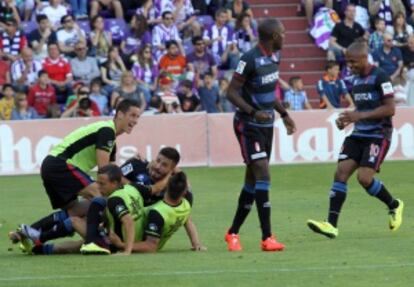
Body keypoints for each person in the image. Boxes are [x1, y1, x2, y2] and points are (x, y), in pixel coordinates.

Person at [9, 99, 141, 251]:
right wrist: (134, 188)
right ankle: (93, 241)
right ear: (120, 114)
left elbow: (114, 174)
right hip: (60, 164)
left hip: (51, 166)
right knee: (100, 194)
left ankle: (28, 233)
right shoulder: (107, 131)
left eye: (138, 117)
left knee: (76, 210)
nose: (135, 121)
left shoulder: (111, 139)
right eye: (132, 115)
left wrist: (132, 166)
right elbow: (105, 172)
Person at [307, 40, 404, 238]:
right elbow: (364, 108)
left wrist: (357, 116)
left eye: (353, 62)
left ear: (364, 58)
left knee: (364, 178)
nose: (349, 66)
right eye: (348, 62)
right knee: (341, 173)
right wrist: (349, 118)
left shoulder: (380, 77)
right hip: (358, 134)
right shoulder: (355, 80)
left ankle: (394, 205)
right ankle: (331, 225)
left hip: (378, 135)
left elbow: (390, 108)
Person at [224, 18, 296, 252]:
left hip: (267, 125)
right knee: (263, 172)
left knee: (252, 182)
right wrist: (253, 112)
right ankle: (268, 237)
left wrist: (283, 114)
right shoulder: (249, 59)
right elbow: (231, 92)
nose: (285, 36)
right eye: (283, 33)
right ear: (274, 36)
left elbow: (266, 92)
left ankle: (232, 233)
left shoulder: (275, 57)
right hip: (248, 125)